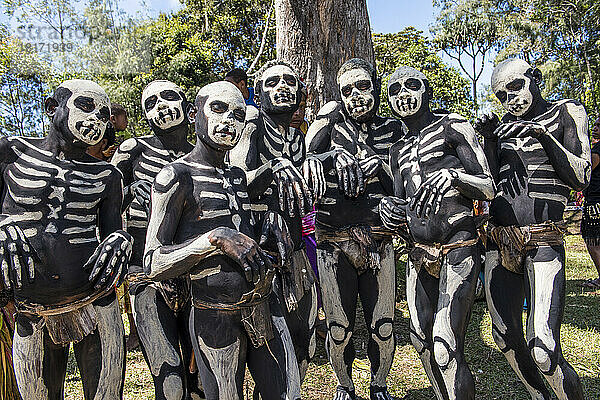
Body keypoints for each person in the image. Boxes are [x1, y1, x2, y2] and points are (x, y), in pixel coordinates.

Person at [143, 80, 300, 400]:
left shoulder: (238, 177)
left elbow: (248, 227)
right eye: (218, 109)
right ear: (195, 114)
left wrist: (271, 218)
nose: (229, 120)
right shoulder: (175, 176)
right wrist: (213, 239)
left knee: (287, 393)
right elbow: (153, 261)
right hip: (213, 313)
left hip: (263, 304)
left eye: (238, 115)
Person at [0, 79, 133, 400]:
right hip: (32, 307)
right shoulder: (12, 153)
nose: (96, 121)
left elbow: (112, 228)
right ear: (51, 108)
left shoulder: (107, 176)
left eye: (103, 115)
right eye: (86, 107)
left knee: (104, 396)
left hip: (96, 301)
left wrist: (120, 241)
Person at [475, 58, 589, 400]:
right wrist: (490, 142)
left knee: (542, 345)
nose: (511, 99)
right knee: (504, 338)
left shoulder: (566, 112)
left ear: (535, 78)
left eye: (515, 87)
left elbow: (580, 175)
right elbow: (490, 185)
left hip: (542, 239)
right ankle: (540, 397)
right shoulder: (504, 127)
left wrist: (542, 134)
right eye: (501, 95)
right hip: (500, 242)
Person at [379, 66, 495, 400]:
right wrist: (391, 211)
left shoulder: (453, 126)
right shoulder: (396, 150)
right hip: (418, 253)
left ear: (427, 90)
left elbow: (488, 186)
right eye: (395, 89)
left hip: (459, 246)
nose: (403, 94)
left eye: (411, 85)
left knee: (445, 342)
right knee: (421, 339)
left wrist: (455, 178)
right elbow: (402, 207)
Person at [304, 58, 403, 400]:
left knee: (384, 326)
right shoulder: (330, 127)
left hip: (379, 243)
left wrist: (383, 167)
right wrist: (332, 155)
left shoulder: (394, 130)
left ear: (375, 86)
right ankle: (345, 385)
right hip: (333, 243)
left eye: (363, 86)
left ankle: (379, 384)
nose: (356, 96)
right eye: (347, 90)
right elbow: (306, 159)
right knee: (338, 328)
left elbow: (406, 184)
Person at [111, 80, 202, 400]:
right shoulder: (132, 150)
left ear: (189, 109)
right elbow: (106, 206)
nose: (160, 106)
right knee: (169, 374)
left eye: (168, 97)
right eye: (150, 103)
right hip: (146, 275)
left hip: (198, 275)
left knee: (203, 373)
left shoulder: (205, 153)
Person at [229, 60, 317, 386]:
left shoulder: (297, 139)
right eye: (272, 82)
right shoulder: (252, 124)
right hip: (259, 257)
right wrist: (273, 167)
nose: (282, 86)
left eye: (289, 81)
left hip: (292, 254)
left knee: (303, 337)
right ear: (258, 93)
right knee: (268, 348)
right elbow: (238, 181)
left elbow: (301, 196)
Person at [580, 116, 600, 289]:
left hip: (595, 200)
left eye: (599, 126)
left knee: (592, 241)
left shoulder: (597, 150)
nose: (595, 128)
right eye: (595, 125)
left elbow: (585, 173)